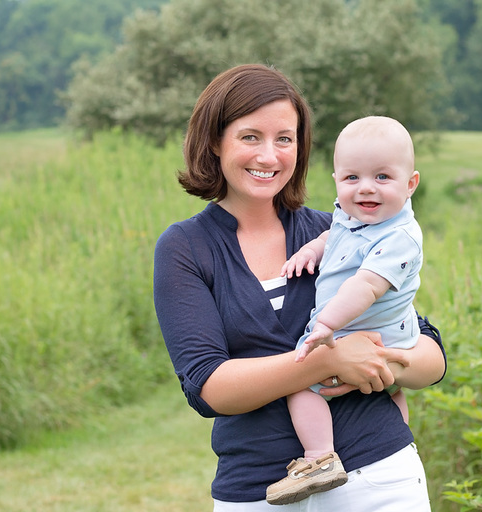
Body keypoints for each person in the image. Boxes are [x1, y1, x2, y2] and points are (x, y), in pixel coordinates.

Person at [153, 64, 446, 511]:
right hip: (258, 491)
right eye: (250, 136)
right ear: (215, 141)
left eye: (284, 139)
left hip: (379, 475)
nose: (269, 156)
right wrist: (325, 361)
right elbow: (210, 388)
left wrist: (382, 361)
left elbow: (427, 355)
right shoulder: (186, 248)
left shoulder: (341, 230)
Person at [266, 116, 422, 505]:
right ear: (336, 180)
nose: (366, 188)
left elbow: (365, 285)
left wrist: (325, 324)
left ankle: (318, 458)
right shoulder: (352, 217)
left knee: (300, 384)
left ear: (411, 184)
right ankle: (394, 433)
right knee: (389, 389)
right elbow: (333, 235)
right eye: (352, 178)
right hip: (385, 338)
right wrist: (309, 252)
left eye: (383, 177)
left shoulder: (400, 236)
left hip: (368, 332)